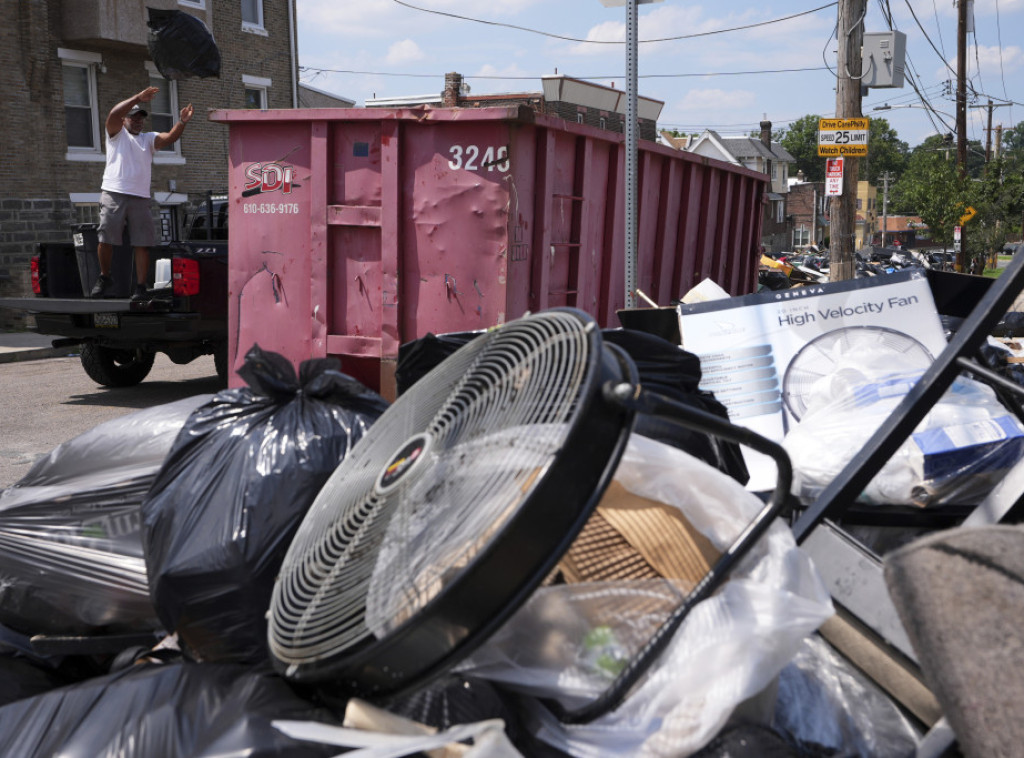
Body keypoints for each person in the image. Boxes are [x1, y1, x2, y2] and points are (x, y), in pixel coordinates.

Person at [90, 87, 194, 300]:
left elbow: (169, 138)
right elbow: (113, 115)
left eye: (140, 119)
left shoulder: (148, 139)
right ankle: (104, 276)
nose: (137, 121)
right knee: (106, 237)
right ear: (125, 120)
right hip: (114, 192)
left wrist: (181, 122)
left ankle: (140, 287)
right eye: (133, 118)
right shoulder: (116, 135)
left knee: (142, 243)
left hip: (140, 196)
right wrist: (137, 97)